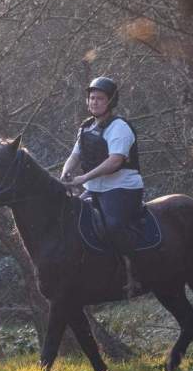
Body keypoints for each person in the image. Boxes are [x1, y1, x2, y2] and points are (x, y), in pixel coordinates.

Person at [61, 76, 144, 292]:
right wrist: (66, 173)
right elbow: (75, 155)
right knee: (73, 220)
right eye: (91, 98)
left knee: (113, 226)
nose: (94, 102)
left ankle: (135, 271)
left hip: (122, 188)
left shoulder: (119, 127)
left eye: (99, 98)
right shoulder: (86, 127)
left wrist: (83, 178)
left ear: (110, 101)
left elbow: (114, 161)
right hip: (95, 189)